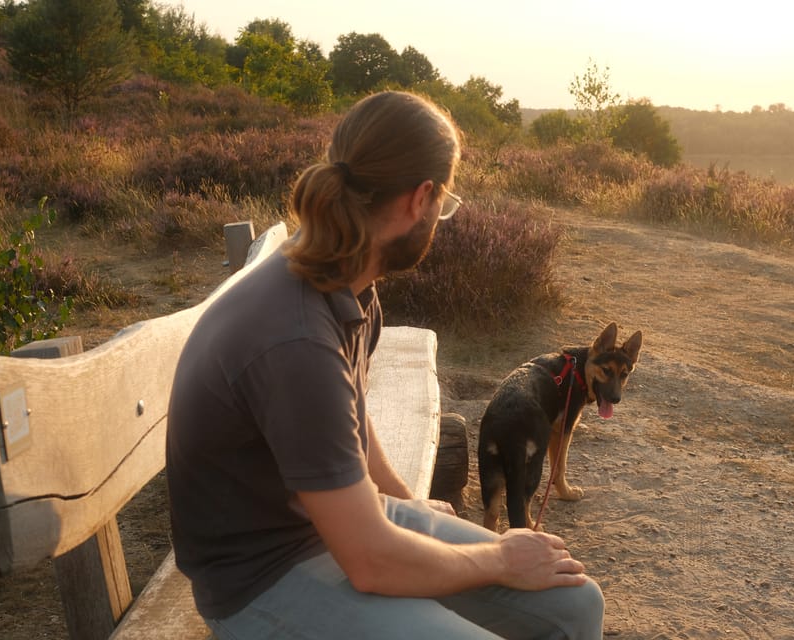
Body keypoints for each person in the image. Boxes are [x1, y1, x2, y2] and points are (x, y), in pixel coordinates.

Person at [165, 90, 604, 639]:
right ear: (420, 199)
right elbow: (371, 562)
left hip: (339, 524)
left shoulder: (349, 280)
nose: (441, 217)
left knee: (573, 603)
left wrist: (407, 502)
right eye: (444, 204)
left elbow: (347, 419)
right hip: (261, 578)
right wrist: (500, 559)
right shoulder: (295, 336)